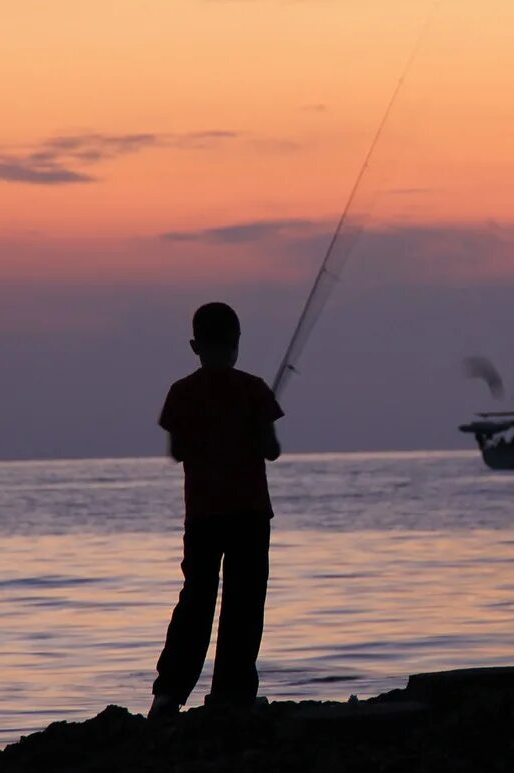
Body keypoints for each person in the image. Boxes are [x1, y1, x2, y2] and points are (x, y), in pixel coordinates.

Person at [148, 302, 284, 718]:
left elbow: (177, 452)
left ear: (195, 346)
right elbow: (272, 451)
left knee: (196, 599)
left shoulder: (181, 393)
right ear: (237, 343)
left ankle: (169, 694)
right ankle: (232, 693)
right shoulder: (256, 389)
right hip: (249, 514)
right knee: (244, 601)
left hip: (204, 516)